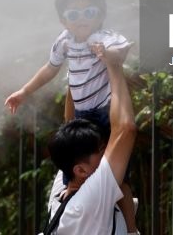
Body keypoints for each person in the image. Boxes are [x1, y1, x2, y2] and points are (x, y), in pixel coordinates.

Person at [4, 0, 138, 231]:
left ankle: (132, 227)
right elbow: (126, 129)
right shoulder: (64, 42)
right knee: (120, 178)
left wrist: (111, 56)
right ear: (64, 21)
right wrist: (24, 91)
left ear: (100, 14)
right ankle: (132, 229)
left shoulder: (101, 38)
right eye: (74, 14)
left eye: (89, 12)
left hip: (100, 112)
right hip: (87, 114)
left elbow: (119, 45)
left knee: (122, 182)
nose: (82, 19)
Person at [42, 42, 138, 234]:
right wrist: (114, 65)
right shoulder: (88, 203)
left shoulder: (65, 189)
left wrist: (79, 71)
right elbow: (126, 129)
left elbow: (70, 122)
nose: (108, 152)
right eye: (102, 150)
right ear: (81, 170)